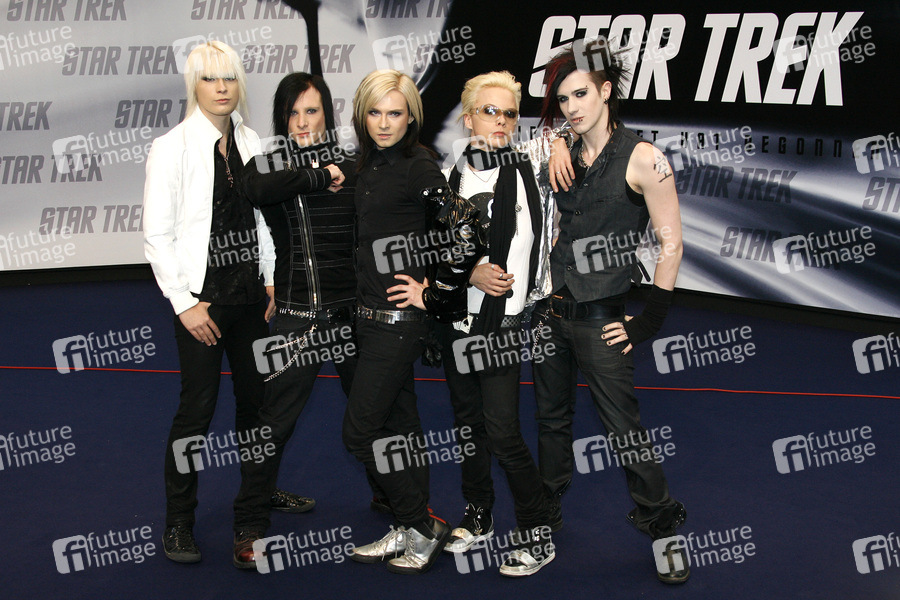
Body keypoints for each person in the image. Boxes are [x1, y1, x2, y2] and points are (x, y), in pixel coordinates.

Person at [142, 41, 306, 565]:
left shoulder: (251, 140)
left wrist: (272, 279)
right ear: (194, 84)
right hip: (202, 305)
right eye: (210, 79)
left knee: (258, 409)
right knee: (196, 413)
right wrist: (183, 303)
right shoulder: (171, 147)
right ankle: (178, 522)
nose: (221, 88)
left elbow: (264, 217)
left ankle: (259, 495)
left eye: (230, 78)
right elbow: (156, 235)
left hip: (251, 300)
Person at [533, 43, 689, 584]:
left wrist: (649, 322)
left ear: (605, 91)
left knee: (624, 430)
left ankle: (663, 528)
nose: (572, 107)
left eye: (581, 94)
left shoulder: (644, 157)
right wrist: (557, 139)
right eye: (562, 100)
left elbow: (671, 244)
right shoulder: (561, 148)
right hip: (550, 313)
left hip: (603, 318)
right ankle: (545, 513)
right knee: (550, 421)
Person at [229, 72, 365, 568]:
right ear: (282, 118)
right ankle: (249, 521)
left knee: (374, 413)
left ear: (327, 112)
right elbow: (255, 187)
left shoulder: (353, 161)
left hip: (352, 314)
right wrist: (319, 175)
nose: (303, 122)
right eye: (293, 113)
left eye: (312, 111)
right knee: (274, 423)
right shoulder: (270, 163)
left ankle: (396, 500)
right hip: (297, 315)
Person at [428, 71, 558, 576]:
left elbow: (580, 128)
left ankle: (537, 530)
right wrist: (470, 273)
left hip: (502, 325)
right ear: (468, 118)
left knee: (503, 432)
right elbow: (432, 248)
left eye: (509, 113)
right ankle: (478, 513)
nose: (501, 121)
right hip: (456, 322)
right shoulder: (448, 175)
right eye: (489, 111)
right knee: (468, 425)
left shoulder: (532, 169)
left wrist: (562, 144)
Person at [341, 69, 452, 575]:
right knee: (399, 430)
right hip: (368, 319)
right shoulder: (368, 165)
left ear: (411, 118)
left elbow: (462, 229)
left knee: (359, 432)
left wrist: (433, 292)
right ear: (362, 116)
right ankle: (410, 528)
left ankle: (422, 526)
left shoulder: (418, 166)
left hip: (399, 322)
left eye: (395, 113)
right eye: (375, 112)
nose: (384, 123)